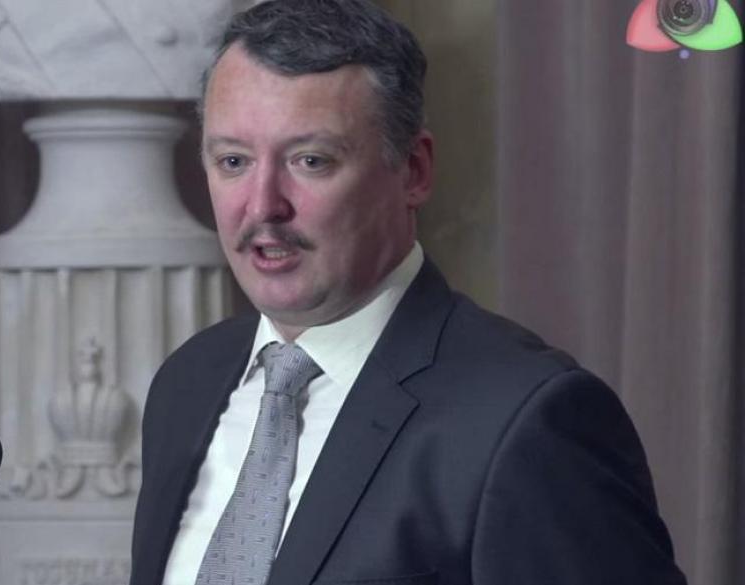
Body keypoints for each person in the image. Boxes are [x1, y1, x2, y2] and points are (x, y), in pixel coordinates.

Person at [130, 1, 688, 584]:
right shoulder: (187, 383)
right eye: (233, 161)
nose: (263, 205)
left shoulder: (529, 421)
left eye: (311, 160)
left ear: (414, 171)